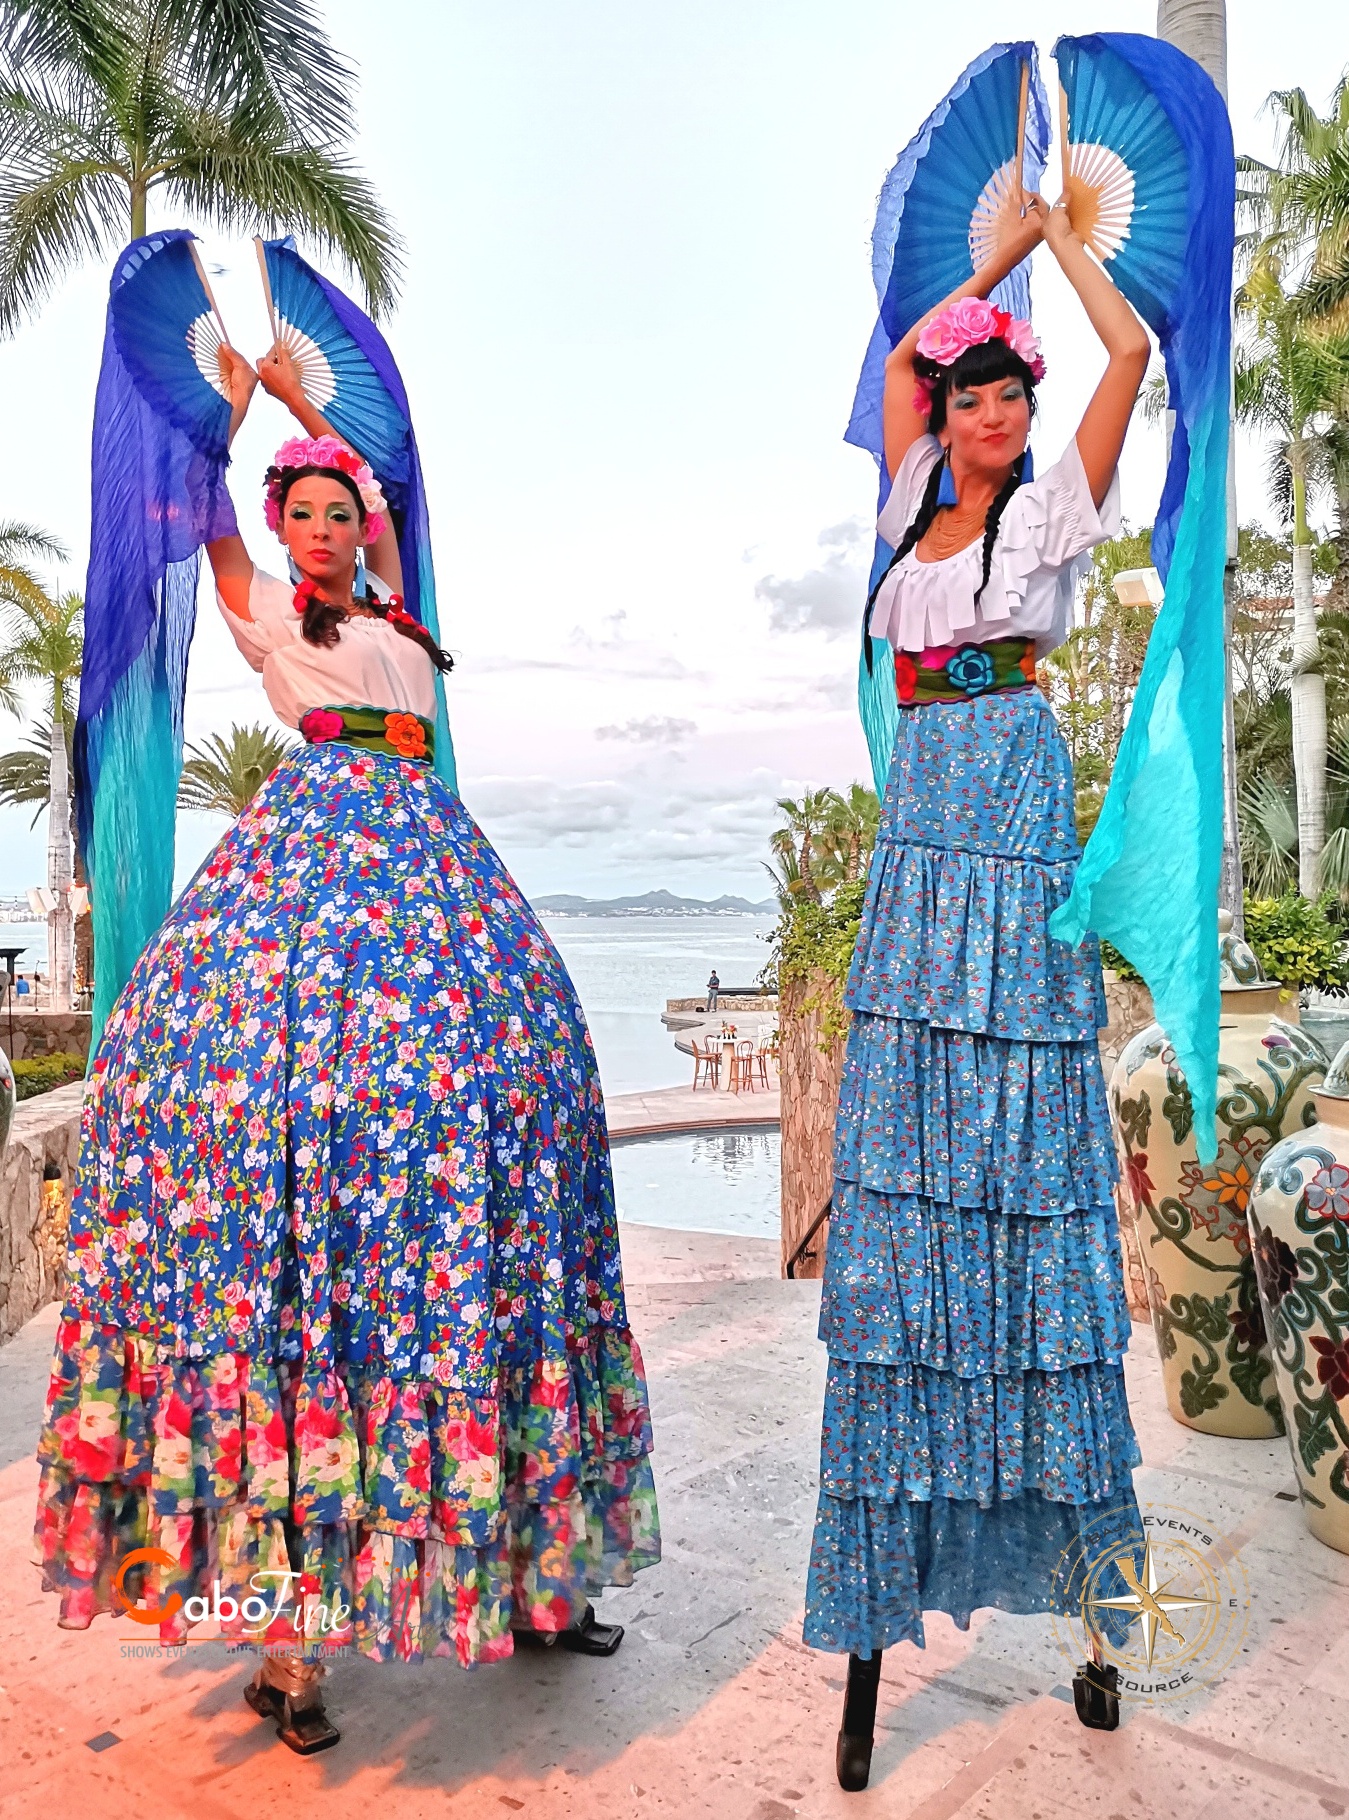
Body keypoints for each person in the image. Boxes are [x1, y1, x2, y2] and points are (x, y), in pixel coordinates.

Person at [34, 340, 660, 1754]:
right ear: (278, 530)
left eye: (340, 513)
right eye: (301, 512)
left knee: (515, 1115)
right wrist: (241, 405)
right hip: (312, 886)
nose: (325, 527)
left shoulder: (403, 618)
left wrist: (311, 405)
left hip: (439, 881)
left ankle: (536, 1577)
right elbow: (194, 512)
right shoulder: (268, 617)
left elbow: (378, 474)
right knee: (294, 1148)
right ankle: (289, 1650)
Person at [805, 188, 1151, 1790]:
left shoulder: (1051, 503)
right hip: (916, 827)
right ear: (942, 414)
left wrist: (1062, 251)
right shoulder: (901, 503)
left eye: (1009, 394)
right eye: (976, 394)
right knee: (917, 1143)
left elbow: (1131, 345)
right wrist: (989, 253)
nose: (997, 413)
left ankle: (1081, 1588)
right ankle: (886, 1602)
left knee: (1017, 1129)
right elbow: (898, 349)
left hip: (1010, 803)